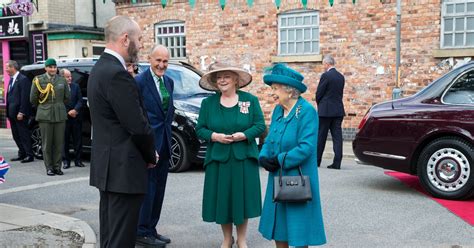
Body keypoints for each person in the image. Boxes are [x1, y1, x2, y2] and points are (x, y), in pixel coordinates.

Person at [87, 15, 157, 248]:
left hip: (110, 170)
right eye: (139, 38)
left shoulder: (100, 68)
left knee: (110, 237)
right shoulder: (116, 74)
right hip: (123, 171)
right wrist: (151, 155)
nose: (142, 44)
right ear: (125, 39)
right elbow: (137, 125)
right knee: (121, 241)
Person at [196, 62, 265, 248]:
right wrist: (214, 136)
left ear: (236, 79)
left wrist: (244, 135)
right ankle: (227, 238)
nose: (222, 80)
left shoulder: (249, 100)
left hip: (243, 158)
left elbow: (260, 125)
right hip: (218, 159)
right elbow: (199, 129)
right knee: (223, 200)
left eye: (226, 76)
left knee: (241, 200)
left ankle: (242, 239)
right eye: (218, 77)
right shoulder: (208, 103)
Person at [258, 63, 326, 248]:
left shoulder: (306, 112)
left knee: (298, 230)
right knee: (280, 228)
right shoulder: (278, 110)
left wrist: (279, 160)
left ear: (289, 91)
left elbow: (306, 148)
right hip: (278, 178)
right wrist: (263, 156)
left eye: (276, 89)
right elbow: (271, 137)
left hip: (297, 178)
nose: (272, 93)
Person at [134, 45, 174, 247]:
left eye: (165, 61)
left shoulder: (169, 81)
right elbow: (138, 116)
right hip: (149, 145)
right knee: (148, 189)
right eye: (158, 60)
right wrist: (146, 145)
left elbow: (169, 113)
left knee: (159, 190)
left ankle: (152, 228)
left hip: (165, 143)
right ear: (149, 59)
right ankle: (141, 231)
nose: (161, 65)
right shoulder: (139, 82)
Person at [30, 58, 70, 176]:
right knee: (47, 143)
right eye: (50, 67)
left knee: (58, 142)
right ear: (46, 68)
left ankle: (57, 167)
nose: (53, 69)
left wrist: (57, 105)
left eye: (54, 67)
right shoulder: (38, 80)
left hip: (59, 114)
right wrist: (44, 107)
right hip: (45, 114)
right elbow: (33, 99)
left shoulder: (62, 80)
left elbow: (67, 98)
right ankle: (49, 167)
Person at [315, 55, 345, 170]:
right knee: (337, 137)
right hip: (338, 110)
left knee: (321, 136)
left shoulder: (326, 76)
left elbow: (319, 93)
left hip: (326, 111)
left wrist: (320, 105)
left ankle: (317, 161)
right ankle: (337, 163)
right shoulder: (341, 77)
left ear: (327, 64)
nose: (323, 66)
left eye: (324, 64)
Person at [5, 60, 34, 163]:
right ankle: (22, 153)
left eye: (7, 67)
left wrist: (21, 112)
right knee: (16, 135)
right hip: (12, 113)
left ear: (13, 67)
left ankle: (29, 155)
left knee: (24, 135)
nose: (6, 69)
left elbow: (25, 97)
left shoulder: (23, 79)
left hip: (20, 114)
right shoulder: (12, 79)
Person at [60, 69, 84, 169]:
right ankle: (66, 161)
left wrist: (75, 110)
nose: (70, 78)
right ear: (62, 77)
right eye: (67, 77)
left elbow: (80, 100)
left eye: (70, 76)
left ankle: (78, 160)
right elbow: (59, 103)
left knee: (77, 140)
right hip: (65, 118)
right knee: (64, 141)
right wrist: (68, 112)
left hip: (76, 118)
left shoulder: (76, 86)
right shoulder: (58, 88)